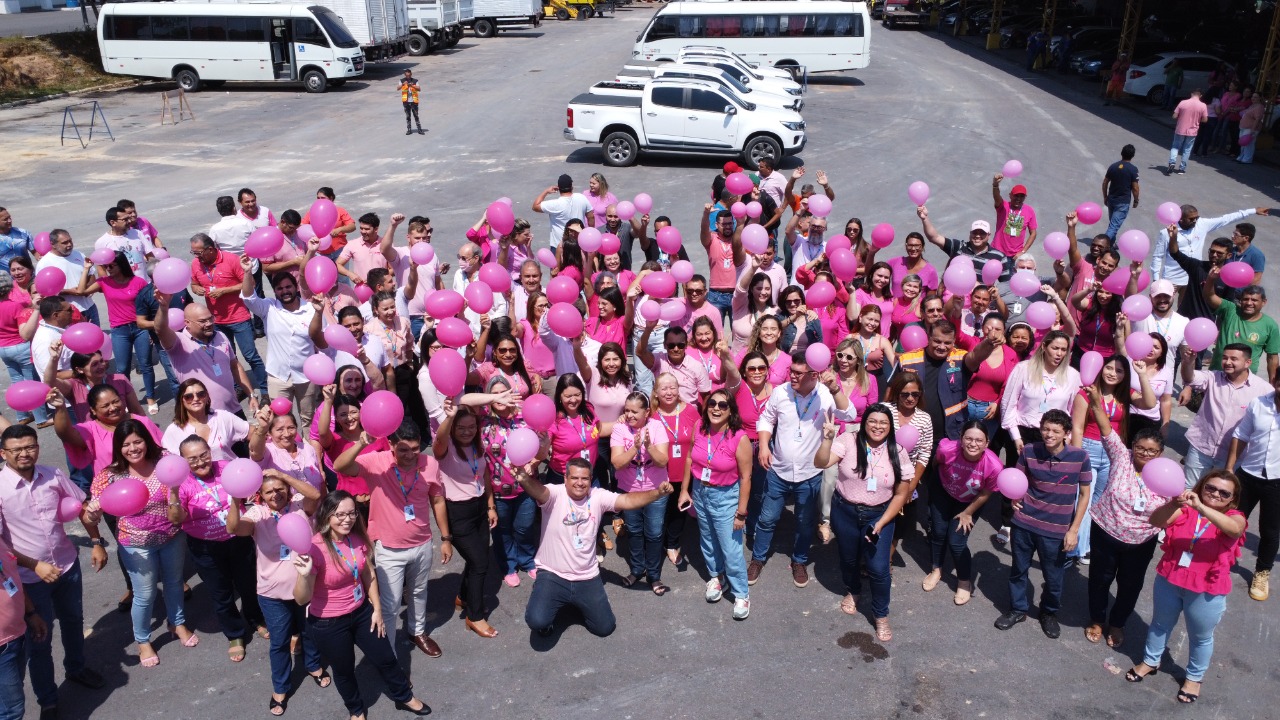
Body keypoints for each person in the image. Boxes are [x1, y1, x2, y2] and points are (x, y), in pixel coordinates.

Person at [292, 492, 433, 719]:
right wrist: (304, 575)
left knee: (386, 657)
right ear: (327, 515)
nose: (347, 519)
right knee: (344, 670)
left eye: (351, 513)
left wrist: (376, 608)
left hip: (361, 612)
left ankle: (405, 697)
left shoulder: (356, 538)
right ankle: (356, 709)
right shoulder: (315, 548)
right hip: (328, 623)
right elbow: (301, 599)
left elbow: (368, 573)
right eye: (340, 514)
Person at [0, 425, 106, 717]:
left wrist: (96, 542)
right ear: (3, 454)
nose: (24, 453)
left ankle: (76, 668)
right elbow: (1, 547)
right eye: (16, 449)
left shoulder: (53, 475)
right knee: (39, 640)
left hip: (67, 565)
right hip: (29, 579)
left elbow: (81, 507)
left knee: (73, 621)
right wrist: (34, 565)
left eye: (30, 446)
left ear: (38, 447)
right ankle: (48, 699)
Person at [519, 457, 674, 638]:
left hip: (586, 575)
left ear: (590, 479)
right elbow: (539, 491)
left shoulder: (598, 496)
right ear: (565, 478)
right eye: (574, 478)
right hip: (553, 574)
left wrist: (657, 494)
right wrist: (525, 479)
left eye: (584, 478)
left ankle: (575, 602)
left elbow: (627, 500)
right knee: (538, 621)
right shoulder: (555, 493)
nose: (579, 483)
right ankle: (546, 597)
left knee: (605, 628)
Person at [1127, 471, 1246, 705]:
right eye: (1210, 488)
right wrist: (1173, 503)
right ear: (1201, 486)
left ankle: (1194, 678)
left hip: (1206, 588)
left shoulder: (1235, 517)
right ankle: (1151, 661)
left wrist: (1201, 507)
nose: (1216, 494)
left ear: (1232, 499)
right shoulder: (1185, 509)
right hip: (1170, 578)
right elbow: (1155, 521)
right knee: (1160, 624)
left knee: (1200, 637)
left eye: (1224, 493)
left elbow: (1234, 530)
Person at [333, 421, 449, 660]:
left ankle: (417, 632)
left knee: (419, 591)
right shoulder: (376, 461)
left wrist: (446, 538)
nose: (410, 455)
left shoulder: (430, 464)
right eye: (403, 450)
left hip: (422, 543)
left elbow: (437, 501)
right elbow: (340, 466)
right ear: (391, 445)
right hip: (388, 548)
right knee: (390, 604)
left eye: (415, 449)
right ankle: (390, 654)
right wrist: (360, 444)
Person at [89, 420, 196, 666]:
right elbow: (92, 512)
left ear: (147, 441)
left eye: (137, 442)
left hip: (172, 536)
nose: (133, 448)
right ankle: (143, 640)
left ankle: (177, 624)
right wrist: (93, 513)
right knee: (145, 594)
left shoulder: (164, 462)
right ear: (119, 448)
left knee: (174, 583)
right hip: (135, 544)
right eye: (126, 445)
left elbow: (186, 485)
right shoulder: (109, 476)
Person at [224, 459, 325, 716]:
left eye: (279, 489)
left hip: (306, 585)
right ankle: (280, 687)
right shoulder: (258, 514)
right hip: (271, 593)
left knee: (309, 632)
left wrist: (283, 475)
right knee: (279, 642)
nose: (275, 494)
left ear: (288, 489)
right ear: (261, 495)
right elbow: (234, 528)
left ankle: (313, 665)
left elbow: (316, 495)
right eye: (269, 491)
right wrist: (235, 501)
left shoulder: (300, 505)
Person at [750, 351, 854, 588]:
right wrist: (764, 446)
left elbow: (849, 414)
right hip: (778, 470)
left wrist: (835, 389)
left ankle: (799, 561)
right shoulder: (781, 392)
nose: (792, 376)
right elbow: (766, 419)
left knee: (805, 522)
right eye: (792, 371)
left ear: (814, 375)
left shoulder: (826, 394)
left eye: (799, 373)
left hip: (810, 473)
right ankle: (757, 558)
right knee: (767, 519)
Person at [814, 404, 913, 642]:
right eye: (872, 421)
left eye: (883, 423)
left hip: (879, 515)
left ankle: (881, 614)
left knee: (878, 569)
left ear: (890, 427)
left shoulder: (898, 451)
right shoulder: (848, 441)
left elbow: (901, 494)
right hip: (845, 511)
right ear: (864, 422)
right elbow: (821, 463)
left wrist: (882, 522)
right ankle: (854, 590)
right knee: (848, 559)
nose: (878, 426)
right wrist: (827, 439)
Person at [167, 435, 266, 662]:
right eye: (192, 459)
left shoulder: (226, 468)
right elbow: (176, 519)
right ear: (183, 461)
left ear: (210, 452)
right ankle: (235, 634)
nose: (200, 462)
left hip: (239, 538)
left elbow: (249, 486)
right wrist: (173, 493)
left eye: (203, 455)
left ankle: (256, 619)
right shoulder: (180, 483)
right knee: (221, 593)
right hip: (205, 547)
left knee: (249, 584)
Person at [1084, 392, 1171, 648]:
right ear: (1132, 446)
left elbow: (1172, 512)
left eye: (1152, 451)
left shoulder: (1167, 475)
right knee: (1100, 579)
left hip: (1141, 542)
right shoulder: (1121, 457)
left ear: (1160, 453)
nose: (1145, 453)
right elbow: (1105, 428)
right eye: (1141, 448)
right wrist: (1095, 402)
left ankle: (1118, 624)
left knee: (1130, 586)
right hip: (1105, 532)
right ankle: (1097, 620)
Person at [994, 410, 1091, 639]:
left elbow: (1085, 494)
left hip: (1056, 531)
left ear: (1067, 433)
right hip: (1024, 523)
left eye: (1056, 431)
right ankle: (1018, 609)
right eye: (1046, 429)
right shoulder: (1028, 451)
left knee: (1054, 578)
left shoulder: (1080, 457)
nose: (1049, 434)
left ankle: (1048, 613)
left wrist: (1074, 530)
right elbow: (1016, 480)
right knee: (1018, 570)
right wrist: (1014, 498)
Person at [1069, 352, 1156, 564]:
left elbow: (1150, 403)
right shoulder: (1086, 393)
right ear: (1100, 369)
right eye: (1109, 368)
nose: (1113, 373)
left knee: (1100, 502)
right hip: (1088, 449)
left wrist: (1142, 374)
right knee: (1083, 498)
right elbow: (1077, 428)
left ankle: (1087, 545)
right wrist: (1078, 458)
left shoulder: (1125, 394)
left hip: (1114, 453)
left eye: (1119, 371)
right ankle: (1076, 549)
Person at [677, 388, 753, 620]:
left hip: (725, 496)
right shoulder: (699, 428)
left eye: (722, 405)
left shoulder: (739, 438)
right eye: (712, 404)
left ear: (731, 411)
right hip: (701, 492)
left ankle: (741, 593)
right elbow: (689, 458)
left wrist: (741, 512)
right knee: (708, 540)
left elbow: (746, 477)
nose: (716, 409)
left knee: (731, 548)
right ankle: (717, 577)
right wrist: (684, 490)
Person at [431, 403, 497, 637]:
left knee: (476, 558)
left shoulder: (478, 446)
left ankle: (464, 596)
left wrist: (490, 505)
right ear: (453, 428)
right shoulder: (446, 447)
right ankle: (475, 616)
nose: (467, 431)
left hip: (479, 507)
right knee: (480, 563)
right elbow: (439, 440)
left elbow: (485, 475)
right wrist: (448, 419)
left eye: (471, 427)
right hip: (458, 512)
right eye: (461, 427)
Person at [923, 422, 1000, 605]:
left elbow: (986, 493)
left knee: (957, 542)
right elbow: (936, 464)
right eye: (969, 439)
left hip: (970, 502)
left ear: (987, 443)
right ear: (961, 439)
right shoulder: (947, 449)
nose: (973, 444)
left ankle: (964, 581)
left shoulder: (994, 466)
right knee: (938, 532)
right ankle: (936, 569)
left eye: (979, 440)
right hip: (943, 491)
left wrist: (968, 512)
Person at [1179, 343, 1271, 487]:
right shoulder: (1213, 377)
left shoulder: (1264, 390)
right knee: (1189, 488)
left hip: (1233, 457)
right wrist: (1188, 362)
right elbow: (1190, 377)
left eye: (1234, 359)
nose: (1227, 362)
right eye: (1225, 358)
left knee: (1220, 494)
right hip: (1201, 448)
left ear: (1248, 362)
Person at [241, 264, 321, 427]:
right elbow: (248, 297)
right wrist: (247, 272)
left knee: (308, 420)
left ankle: (309, 444)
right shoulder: (268, 308)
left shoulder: (311, 310)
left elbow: (321, 342)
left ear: (295, 287)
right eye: (279, 288)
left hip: (306, 377)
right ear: (275, 291)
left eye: (288, 287)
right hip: (278, 377)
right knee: (280, 420)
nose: (285, 291)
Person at [1224, 373, 1280, 601]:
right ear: (1275, 383)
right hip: (1248, 474)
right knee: (1231, 521)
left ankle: (1262, 572)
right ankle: (1222, 559)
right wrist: (1229, 469)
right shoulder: (1258, 404)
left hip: (1277, 482)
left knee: (1270, 530)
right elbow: (1241, 435)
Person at [610, 392, 671, 594]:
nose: (629, 415)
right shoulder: (619, 428)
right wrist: (634, 448)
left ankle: (653, 575)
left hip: (656, 489)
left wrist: (648, 446)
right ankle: (637, 569)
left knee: (654, 533)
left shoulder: (657, 427)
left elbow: (662, 461)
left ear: (647, 412)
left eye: (635, 411)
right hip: (630, 490)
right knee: (634, 531)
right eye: (627, 410)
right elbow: (617, 463)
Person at [1151, 205, 1267, 300]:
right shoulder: (1166, 233)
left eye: (1197, 217)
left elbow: (1226, 219)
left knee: (1186, 310)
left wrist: (1253, 211)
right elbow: (1157, 256)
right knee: (1162, 305)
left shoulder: (1201, 224)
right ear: (1181, 219)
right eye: (1191, 219)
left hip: (1193, 278)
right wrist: (1156, 280)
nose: (1195, 220)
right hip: (1171, 279)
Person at [1203, 278, 1279, 379]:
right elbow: (1209, 296)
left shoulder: (1270, 325)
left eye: (1254, 300)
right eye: (1245, 299)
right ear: (1240, 300)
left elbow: (1272, 358)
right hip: (1217, 376)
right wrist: (1211, 279)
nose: (1249, 303)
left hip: (1245, 381)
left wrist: (1273, 384)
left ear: (1263, 302)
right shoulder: (1230, 310)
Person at [161, 379, 250, 462]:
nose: (196, 399)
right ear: (181, 400)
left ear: (207, 397)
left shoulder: (221, 417)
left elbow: (252, 432)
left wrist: (255, 456)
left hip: (228, 471)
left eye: (201, 394)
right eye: (189, 396)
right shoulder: (173, 431)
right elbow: (168, 463)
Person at [0, 271, 47, 426]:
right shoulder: (15, 306)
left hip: (3, 348)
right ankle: (41, 418)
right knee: (32, 382)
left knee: (16, 381)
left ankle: (22, 415)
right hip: (20, 346)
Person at [918, 207, 1008, 284]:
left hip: (980, 298)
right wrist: (925, 219)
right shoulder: (958, 247)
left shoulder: (999, 257)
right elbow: (934, 237)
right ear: (970, 233)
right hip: (955, 296)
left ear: (988, 235)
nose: (977, 236)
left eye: (982, 233)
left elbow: (1005, 284)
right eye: (975, 232)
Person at [250, 406, 325, 492]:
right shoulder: (267, 451)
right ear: (269, 432)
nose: (287, 434)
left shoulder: (307, 449)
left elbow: (321, 482)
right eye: (280, 429)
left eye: (291, 428)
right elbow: (254, 451)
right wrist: (262, 428)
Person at [34, 230, 97, 326]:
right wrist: (70, 292)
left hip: (89, 307)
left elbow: (91, 274)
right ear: (53, 244)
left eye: (70, 241)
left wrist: (87, 289)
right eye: (64, 243)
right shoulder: (44, 263)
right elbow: (45, 291)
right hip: (68, 312)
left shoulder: (79, 255)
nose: (69, 244)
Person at [701, 204, 746, 324]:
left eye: (730, 223)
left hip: (736, 293)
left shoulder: (738, 240)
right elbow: (704, 230)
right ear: (717, 225)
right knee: (713, 330)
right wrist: (706, 214)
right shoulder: (711, 239)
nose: (728, 227)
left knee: (738, 330)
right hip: (716, 294)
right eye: (724, 224)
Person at [95, 206, 155, 281]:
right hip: (122, 286)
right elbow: (101, 269)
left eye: (128, 218)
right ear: (113, 223)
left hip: (145, 283)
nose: (129, 221)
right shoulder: (102, 242)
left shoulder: (137, 233)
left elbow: (151, 258)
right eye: (125, 220)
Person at [533, 174, 594, 248]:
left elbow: (535, 206)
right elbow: (591, 217)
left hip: (559, 245)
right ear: (572, 187)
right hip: (579, 242)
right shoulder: (582, 198)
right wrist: (590, 233)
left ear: (558, 188)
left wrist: (546, 191)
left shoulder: (555, 204)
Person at [991, 174, 1037, 257]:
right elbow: (996, 197)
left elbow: (1033, 233)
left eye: (1022, 196)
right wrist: (995, 185)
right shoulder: (1004, 206)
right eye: (1016, 195)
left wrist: (1023, 251)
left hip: (1015, 255)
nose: (1018, 198)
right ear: (1010, 195)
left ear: (1025, 197)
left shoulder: (1029, 210)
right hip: (997, 252)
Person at [1102, 144, 1140, 239]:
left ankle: (1111, 243)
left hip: (1111, 200)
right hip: (1122, 203)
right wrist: (1136, 200)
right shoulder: (1133, 169)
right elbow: (1135, 188)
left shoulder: (1113, 166)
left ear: (1121, 153)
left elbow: (1105, 182)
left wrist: (1105, 196)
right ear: (1132, 156)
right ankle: (1103, 244)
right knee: (1113, 226)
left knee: (1113, 224)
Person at [1236, 92, 1264, 164]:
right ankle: (1241, 157)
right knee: (1243, 143)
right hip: (1244, 127)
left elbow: (1257, 119)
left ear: (1260, 98)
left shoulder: (1259, 107)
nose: (1253, 98)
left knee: (1249, 144)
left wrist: (1253, 129)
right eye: (1253, 97)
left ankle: (1247, 159)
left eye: (1255, 97)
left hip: (1250, 128)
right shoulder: (1252, 106)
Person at [399, 69, 424, 135]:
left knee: (416, 115)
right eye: (407, 75)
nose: (408, 77)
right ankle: (409, 129)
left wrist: (412, 86)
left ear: (411, 74)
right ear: (405, 75)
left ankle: (419, 129)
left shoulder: (415, 81)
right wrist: (402, 84)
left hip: (414, 101)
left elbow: (419, 89)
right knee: (408, 116)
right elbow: (398, 88)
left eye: (409, 75)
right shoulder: (402, 81)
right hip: (406, 102)